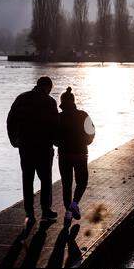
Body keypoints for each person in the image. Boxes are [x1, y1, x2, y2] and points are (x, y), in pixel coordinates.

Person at [7, 76, 59, 222]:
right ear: (48, 87)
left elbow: (10, 120)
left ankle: (29, 213)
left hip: (25, 146)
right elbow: (55, 125)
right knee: (46, 179)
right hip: (44, 147)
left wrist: (14, 140)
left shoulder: (21, 98)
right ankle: (46, 210)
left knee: (27, 178)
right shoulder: (49, 102)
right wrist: (56, 143)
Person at [56, 87, 95, 221]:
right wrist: (85, 143)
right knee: (82, 182)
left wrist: (59, 144)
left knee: (66, 184)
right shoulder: (83, 115)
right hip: (80, 154)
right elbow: (91, 132)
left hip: (64, 155)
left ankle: (68, 212)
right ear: (73, 101)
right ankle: (74, 203)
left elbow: (52, 135)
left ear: (62, 102)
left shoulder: (59, 117)